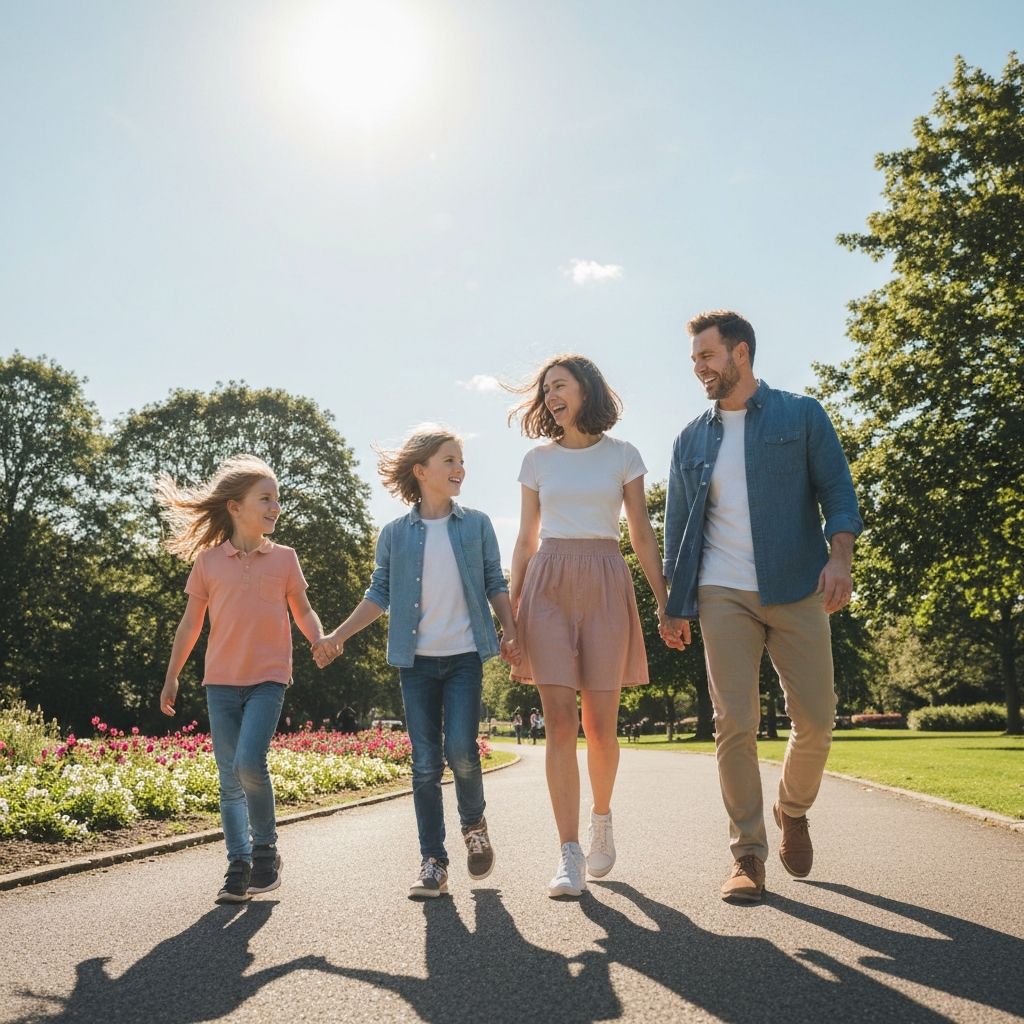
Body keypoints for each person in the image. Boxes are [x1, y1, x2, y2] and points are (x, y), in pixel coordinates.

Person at [661, 310, 863, 903]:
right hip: (722, 593)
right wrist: (674, 606)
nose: (698, 368)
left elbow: (838, 492)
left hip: (798, 584)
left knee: (817, 720)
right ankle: (748, 853)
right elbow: (677, 532)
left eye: (707, 356)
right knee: (734, 723)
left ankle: (792, 809)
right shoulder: (690, 438)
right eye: (694, 359)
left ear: (740, 353)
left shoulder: (801, 415)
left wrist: (840, 558)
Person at [312, 425, 520, 899]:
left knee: (463, 752)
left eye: (461, 460)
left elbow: (494, 581)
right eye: (449, 460)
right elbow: (379, 593)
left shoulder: (477, 525)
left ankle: (474, 826)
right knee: (425, 763)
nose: (459, 468)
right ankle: (433, 861)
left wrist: (511, 629)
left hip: (465, 657)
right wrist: (338, 635)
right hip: (417, 664)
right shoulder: (394, 535)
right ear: (421, 470)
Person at [509, 354, 669, 898]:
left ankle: (602, 816)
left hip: (605, 577)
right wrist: (511, 615)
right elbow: (526, 540)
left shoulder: (623, 455)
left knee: (601, 725)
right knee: (558, 721)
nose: (552, 396)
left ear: (586, 389)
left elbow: (642, 535)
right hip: (548, 583)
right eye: (546, 389)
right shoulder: (536, 460)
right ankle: (569, 851)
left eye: (561, 386)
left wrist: (665, 601)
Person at [157, 454, 324, 904]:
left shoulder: (285, 559)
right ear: (235, 507)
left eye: (277, 499)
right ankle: (239, 864)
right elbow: (190, 624)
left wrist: (319, 639)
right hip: (220, 683)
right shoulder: (209, 563)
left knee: (249, 763)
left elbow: (302, 609)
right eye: (265, 498)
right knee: (228, 779)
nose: (275, 507)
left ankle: (265, 851)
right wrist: (172, 676)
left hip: (269, 678)